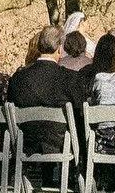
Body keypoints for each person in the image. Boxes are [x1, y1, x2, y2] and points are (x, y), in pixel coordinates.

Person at [6, 24, 86, 166]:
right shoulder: (70, 78)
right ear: (60, 49)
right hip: (60, 144)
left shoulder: (18, 78)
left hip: (26, 142)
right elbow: (80, 115)